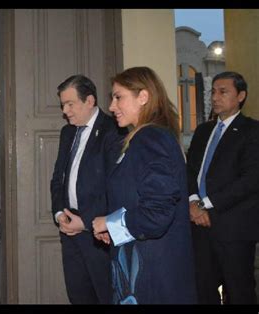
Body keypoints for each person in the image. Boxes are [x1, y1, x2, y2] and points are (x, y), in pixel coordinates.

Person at [92, 66, 196, 304]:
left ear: (143, 97)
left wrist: (109, 222)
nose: (111, 106)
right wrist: (114, 228)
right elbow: (137, 200)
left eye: (118, 97)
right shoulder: (142, 138)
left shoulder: (151, 139)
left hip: (154, 277)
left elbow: (157, 215)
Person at [50, 74, 126, 304]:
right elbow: (57, 180)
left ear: (90, 101)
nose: (65, 111)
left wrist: (86, 222)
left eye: (70, 104)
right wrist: (59, 213)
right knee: (78, 296)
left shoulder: (114, 130)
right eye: (63, 104)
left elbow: (116, 187)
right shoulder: (68, 132)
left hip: (98, 234)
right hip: (69, 231)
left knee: (105, 296)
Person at [186, 71, 259, 304]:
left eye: (223, 92)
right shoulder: (202, 131)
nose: (215, 97)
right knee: (202, 290)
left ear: (241, 96)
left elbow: (250, 179)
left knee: (239, 292)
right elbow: (190, 172)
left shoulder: (252, 131)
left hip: (234, 229)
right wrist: (192, 202)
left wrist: (206, 204)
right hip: (199, 228)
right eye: (213, 92)